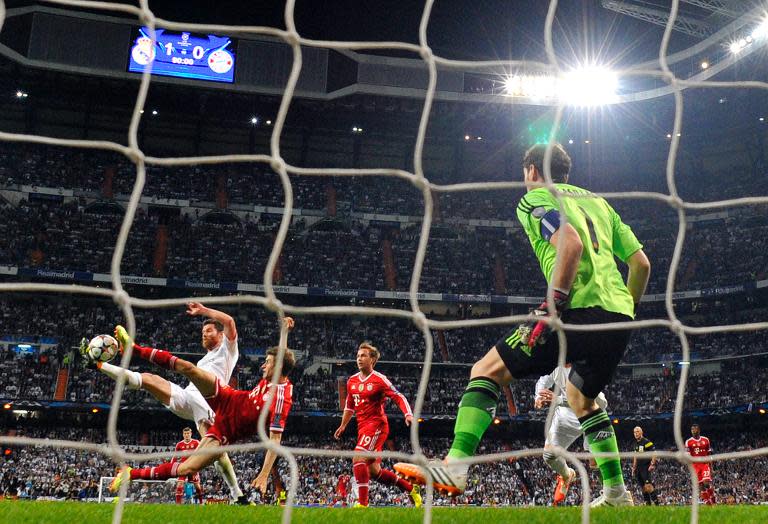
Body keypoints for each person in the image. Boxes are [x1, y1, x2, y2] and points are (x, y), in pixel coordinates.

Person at [395, 142, 650, 508]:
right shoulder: (599, 203)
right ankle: (616, 494)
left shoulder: (534, 199)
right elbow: (641, 264)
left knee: (485, 370)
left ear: (531, 171)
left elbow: (571, 244)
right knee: (582, 398)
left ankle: (456, 466)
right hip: (620, 318)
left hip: (575, 311)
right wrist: (628, 309)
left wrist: (555, 303)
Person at [108, 317, 295, 498]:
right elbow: (282, 357)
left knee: (187, 468)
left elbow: (274, 441)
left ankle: (131, 474)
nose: (262, 366)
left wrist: (263, 476)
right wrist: (284, 333)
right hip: (226, 397)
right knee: (189, 369)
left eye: (267, 363)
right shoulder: (276, 374)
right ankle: (135, 348)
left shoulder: (280, 400)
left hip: (226, 430)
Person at [81, 302, 246, 503]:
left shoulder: (229, 350)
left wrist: (203, 311)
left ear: (221, 335)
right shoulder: (205, 359)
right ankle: (99, 364)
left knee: (216, 452)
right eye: (203, 331)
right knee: (148, 379)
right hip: (188, 398)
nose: (204, 334)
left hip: (208, 403)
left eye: (209, 331)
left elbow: (229, 321)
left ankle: (237, 494)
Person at [334, 341, 422, 508]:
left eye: (363, 356)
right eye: (358, 356)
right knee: (374, 471)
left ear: (372, 360)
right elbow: (350, 406)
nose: (359, 359)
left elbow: (398, 396)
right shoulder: (351, 381)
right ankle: (410, 489)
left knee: (358, 458)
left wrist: (408, 414)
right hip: (363, 427)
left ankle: (363, 504)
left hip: (377, 426)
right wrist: (343, 424)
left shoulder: (380, 380)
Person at [534, 365, 608, 505]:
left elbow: (600, 402)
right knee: (549, 455)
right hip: (567, 415)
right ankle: (567, 475)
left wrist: (559, 400)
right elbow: (544, 380)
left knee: (595, 461)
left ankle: (609, 495)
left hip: (591, 413)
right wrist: (539, 396)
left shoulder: (584, 367)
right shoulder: (555, 362)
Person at [172, 427, 204, 504]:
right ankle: (178, 505)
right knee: (180, 483)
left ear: (191, 434)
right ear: (183, 435)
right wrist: (171, 466)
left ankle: (201, 502)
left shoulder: (196, 442)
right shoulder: (179, 444)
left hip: (193, 467)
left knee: (197, 486)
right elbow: (175, 457)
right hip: (183, 467)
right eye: (185, 434)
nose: (187, 435)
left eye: (188, 433)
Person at [686, 423, 715, 505]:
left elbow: (709, 454)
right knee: (701, 486)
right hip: (695, 466)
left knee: (706, 483)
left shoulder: (706, 440)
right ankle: (709, 504)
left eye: (695, 429)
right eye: (692, 429)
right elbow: (688, 458)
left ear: (699, 430)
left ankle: (713, 499)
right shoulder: (688, 442)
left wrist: (711, 468)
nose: (693, 431)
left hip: (705, 464)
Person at [631, 426, 659, 505]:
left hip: (645, 467)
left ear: (641, 432)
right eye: (634, 432)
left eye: (637, 432)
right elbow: (635, 456)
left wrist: (652, 464)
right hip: (638, 469)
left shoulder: (646, 442)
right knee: (643, 487)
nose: (636, 434)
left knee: (648, 486)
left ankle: (657, 504)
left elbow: (654, 453)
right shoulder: (635, 443)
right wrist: (634, 468)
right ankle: (648, 504)